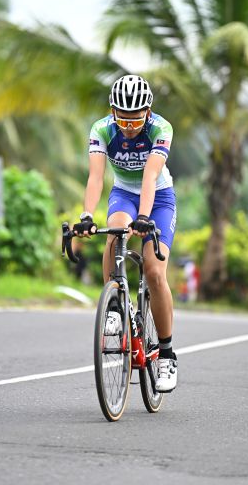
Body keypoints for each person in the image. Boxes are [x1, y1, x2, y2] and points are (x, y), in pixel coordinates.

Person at [73, 74, 177, 392]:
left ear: (148, 112)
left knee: (155, 271)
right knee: (115, 234)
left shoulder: (161, 128)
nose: (129, 127)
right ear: (113, 112)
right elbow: (96, 177)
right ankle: (115, 305)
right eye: (123, 118)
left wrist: (144, 217)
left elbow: (150, 175)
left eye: (136, 119)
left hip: (159, 198)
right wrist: (87, 215)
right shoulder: (102, 129)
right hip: (123, 194)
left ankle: (167, 355)